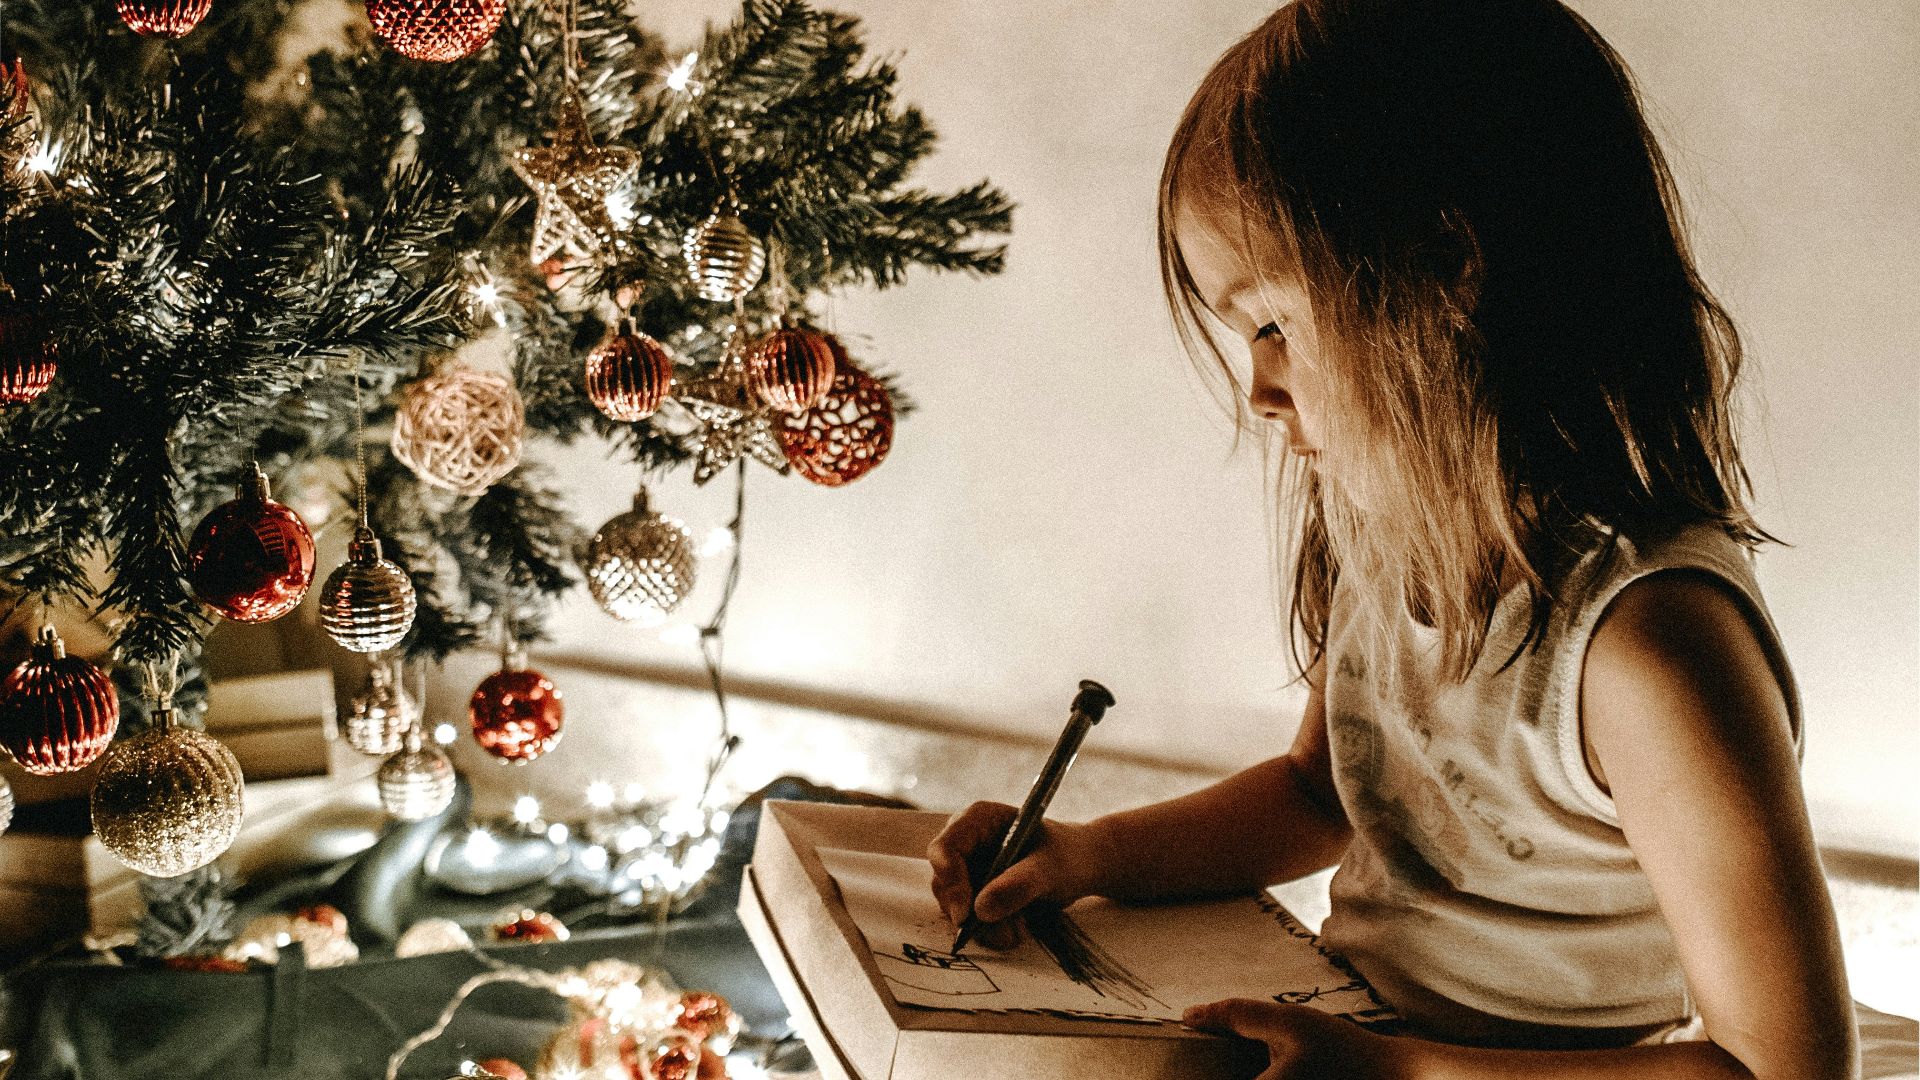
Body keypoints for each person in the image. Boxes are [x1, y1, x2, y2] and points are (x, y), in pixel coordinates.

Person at [927, 1, 1859, 1076]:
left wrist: (1401, 1073)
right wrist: (1088, 853)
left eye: (1273, 322)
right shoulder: (1381, 534)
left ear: (1443, 271)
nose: (1260, 391)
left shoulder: (1648, 648)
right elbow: (1321, 793)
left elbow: (1787, 1066)